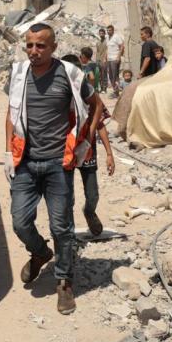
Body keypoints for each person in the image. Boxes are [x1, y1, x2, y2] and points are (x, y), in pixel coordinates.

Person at [5, 23, 104, 315]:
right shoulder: (18, 74)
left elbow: (96, 103)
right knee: (19, 222)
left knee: (62, 227)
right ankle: (39, 252)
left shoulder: (71, 75)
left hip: (58, 164)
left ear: (54, 47)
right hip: (25, 161)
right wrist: (7, 151)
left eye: (41, 46)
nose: (34, 51)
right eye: (30, 45)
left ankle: (64, 281)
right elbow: (11, 114)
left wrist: (87, 136)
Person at [63, 56, 115, 237]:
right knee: (66, 198)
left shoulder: (91, 97)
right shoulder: (57, 96)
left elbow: (100, 124)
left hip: (87, 151)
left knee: (92, 194)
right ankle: (68, 236)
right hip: (66, 153)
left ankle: (89, 211)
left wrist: (109, 153)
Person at [103, 25, 124, 96]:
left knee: (115, 75)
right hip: (109, 59)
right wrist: (105, 58)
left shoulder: (116, 37)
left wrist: (118, 57)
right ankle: (115, 90)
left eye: (110, 30)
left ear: (113, 30)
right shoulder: (107, 38)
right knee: (111, 76)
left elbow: (122, 46)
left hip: (115, 58)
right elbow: (107, 49)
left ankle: (116, 91)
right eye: (107, 30)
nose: (108, 31)